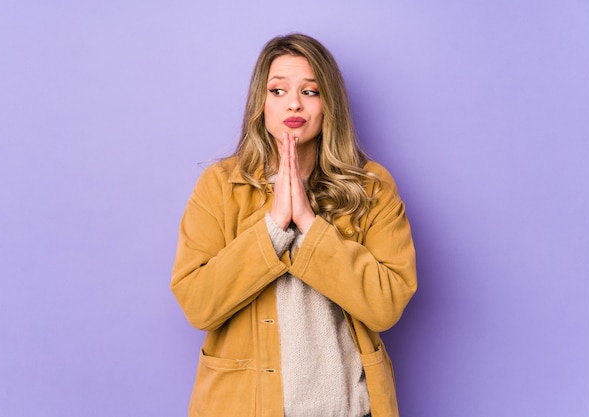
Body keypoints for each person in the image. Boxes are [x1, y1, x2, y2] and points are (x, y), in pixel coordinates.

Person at [171, 33, 417, 417]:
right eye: (278, 90)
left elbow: (386, 306)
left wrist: (307, 220)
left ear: (329, 104)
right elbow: (199, 305)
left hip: (348, 407)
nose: (294, 104)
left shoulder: (372, 188)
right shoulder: (220, 186)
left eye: (311, 91)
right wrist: (273, 225)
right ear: (261, 104)